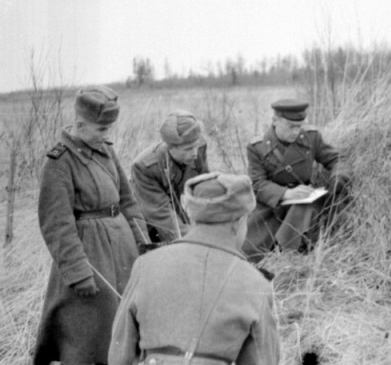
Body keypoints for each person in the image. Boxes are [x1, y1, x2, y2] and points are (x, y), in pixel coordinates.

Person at [108, 172, 281, 365]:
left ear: (192, 217)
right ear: (239, 222)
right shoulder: (255, 282)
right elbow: (263, 359)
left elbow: (120, 350)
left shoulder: (146, 265)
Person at [33, 86, 149, 365]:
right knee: (88, 334)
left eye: (108, 129)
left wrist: (144, 244)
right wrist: (77, 273)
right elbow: (57, 224)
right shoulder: (59, 162)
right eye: (101, 129)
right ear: (80, 124)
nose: (106, 135)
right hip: (90, 256)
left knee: (126, 324)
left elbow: (127, 200)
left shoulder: (106, 151)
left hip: (123, 249)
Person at [241, 98, 349, 262]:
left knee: (301, 216)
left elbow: (337, 159)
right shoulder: (258, 147)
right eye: (291, 126)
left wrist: (337, 177)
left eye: (299, 126)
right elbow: (257, 184)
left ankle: (289, 256)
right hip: (273, 204)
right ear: (275, 121)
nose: (296, 131)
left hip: (305, 200)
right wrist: (286, 193)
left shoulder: (311, 138)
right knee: (248, 250)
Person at [130, 109, 209, 243]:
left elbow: (205, 191)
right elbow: (161, 214)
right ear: (170, 147)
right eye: (188, 149)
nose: (195, 153)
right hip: (149, 218)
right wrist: (194, 240)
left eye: (195, 146)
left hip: (178, 214)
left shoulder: (199, 148)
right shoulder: (145, 167)